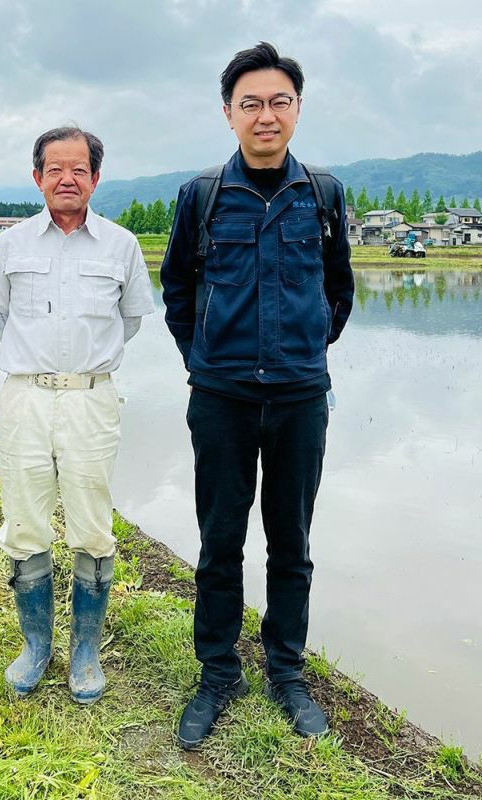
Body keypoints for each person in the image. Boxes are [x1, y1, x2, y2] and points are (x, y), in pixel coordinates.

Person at [161, 43, 354, 748]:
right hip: (220, 397)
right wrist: (205, 357)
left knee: (292, 543)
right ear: (228, 114)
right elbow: (177, 290)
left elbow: (339, 292)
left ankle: (286, 671)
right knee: (220, 541)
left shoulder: (324, 195)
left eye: (278, 101)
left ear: (297, 110)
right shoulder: (203, 194)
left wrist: (301, 353)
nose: (265, 114)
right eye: (251, 103)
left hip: (301, 397)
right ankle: (216, 673)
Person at [0, 126, 154, 705]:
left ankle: (85, 652)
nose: (67, 179)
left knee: (92, 525)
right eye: (55, 169)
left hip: (92, 398)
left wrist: (78, 370)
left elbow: (129, 321)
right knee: (24, 521)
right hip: (25, 395)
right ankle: (35, 647)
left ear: (95, 178)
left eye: (79, 169)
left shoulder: (121, 245)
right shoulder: (11, 245)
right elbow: (0, 319)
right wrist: (42, 367)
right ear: (37, 177)